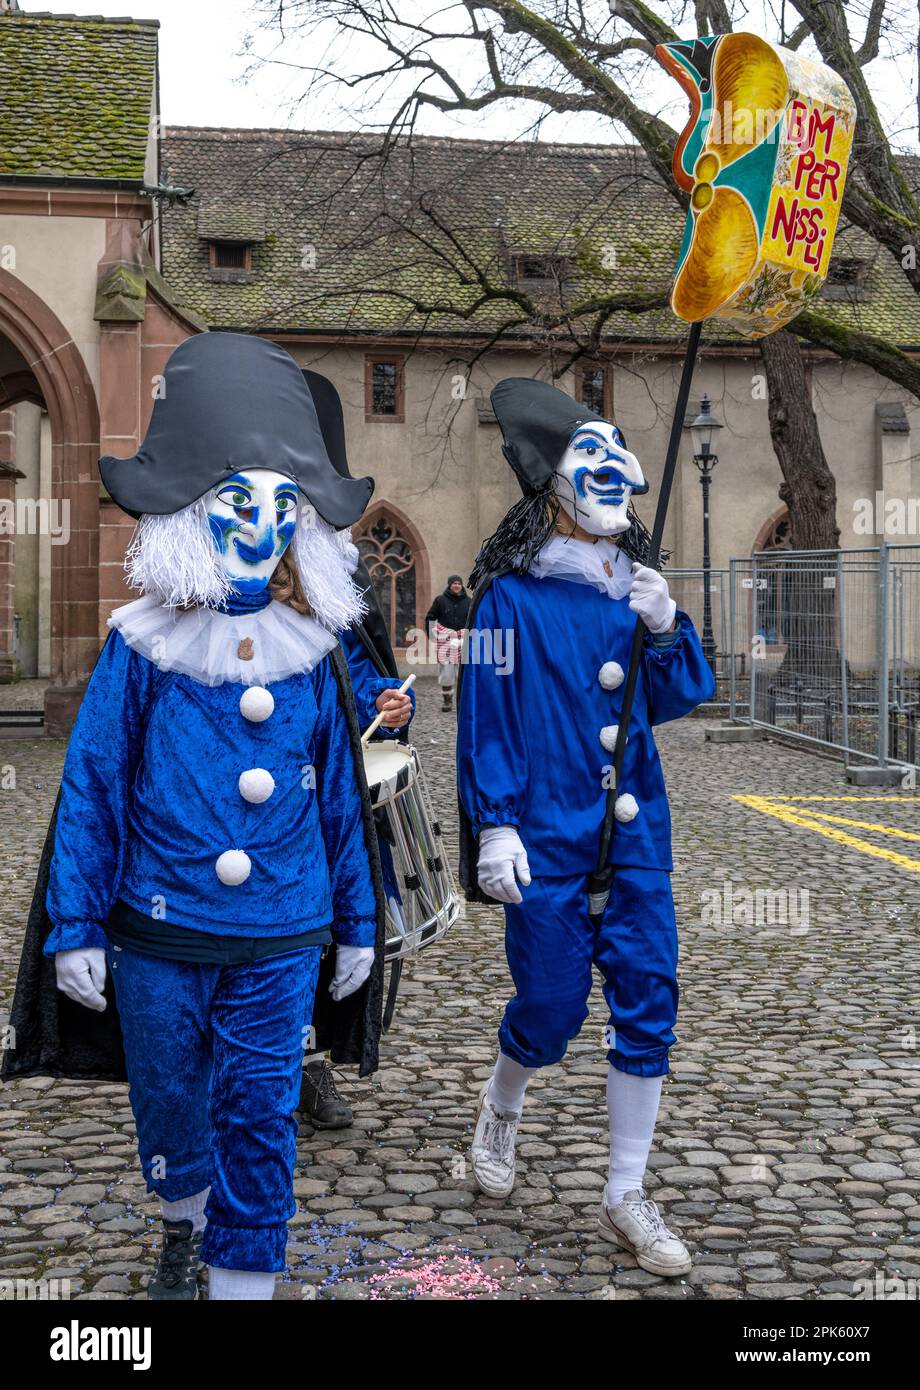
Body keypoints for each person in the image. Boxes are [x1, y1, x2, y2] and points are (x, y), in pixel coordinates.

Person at [1, 333, 386, 1301]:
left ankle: (238, 1277)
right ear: (192, 517)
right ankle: (182, 1217)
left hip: (281, 927)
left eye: (277, 509)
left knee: (258, 1109)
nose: (257, 529)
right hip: (159, 924)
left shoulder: (315, 649)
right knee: (170, 1098)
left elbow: (340, 793)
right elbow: (92, 781)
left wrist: (357, 918)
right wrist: (77, 926)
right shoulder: (143, 647)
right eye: (234, 507)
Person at [457, 377, 715, 1278]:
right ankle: (503, 1098)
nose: (610, 471)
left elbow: (684, 695)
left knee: (649, 1000)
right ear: (551, 487)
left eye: (617, 455)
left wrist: (667, 622)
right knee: (554, 1008)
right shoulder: (507, 603)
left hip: (637, 838)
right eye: (588, 456)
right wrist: (496, 825)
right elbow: (485, 716)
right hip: (546, 838)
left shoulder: (636, 592)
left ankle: (625, 1193)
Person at [296, 371, 414, 1129]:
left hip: (333, 794)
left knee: (323, 928)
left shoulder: (341, 575)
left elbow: (365, 669)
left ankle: (309, 1066)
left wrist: (388, 706)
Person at [425, 575, 470, 711]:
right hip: (446, 642)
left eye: (459, 583)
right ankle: (447, 701)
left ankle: (464, 702)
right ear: (449, 585)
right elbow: (430, 618)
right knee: (447, 673)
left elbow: (475, 619)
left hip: (464, 641)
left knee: (464, 673)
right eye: (454, 583)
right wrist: (433, 636)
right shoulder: (440, 600)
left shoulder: (469, 601)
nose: (457, 585)